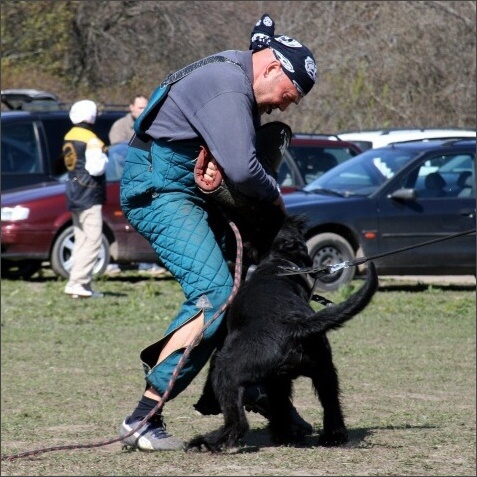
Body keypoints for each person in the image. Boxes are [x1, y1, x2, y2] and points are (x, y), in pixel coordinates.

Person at [118, 13, 317, 451]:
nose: (284, 106)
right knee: (213, 293)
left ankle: (258, 391)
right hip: (159, 189)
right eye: (289, 94)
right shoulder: (228, 85)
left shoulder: (238, 74)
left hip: (186, 187)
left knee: (245, 284)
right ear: (271, 69)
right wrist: (277, 200)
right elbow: (245, 171)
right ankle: (143, 417)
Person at [107, 94, 167, 277]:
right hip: (124, 181)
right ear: (131, 108)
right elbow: (118, 155)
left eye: (145, 107)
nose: (143, 111)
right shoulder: (119, 127)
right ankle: (116, 262)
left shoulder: (151, 125)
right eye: (140, 107)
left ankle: (147, 262)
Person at [63, 100, 109, 298]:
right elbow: (96, 168)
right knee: (93, 241)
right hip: (89, 193)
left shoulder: (69, 136)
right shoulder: (91, 139)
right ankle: (78, 282)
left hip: (73, 192)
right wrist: (106, 157)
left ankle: (82, 286)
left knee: (81, 239)